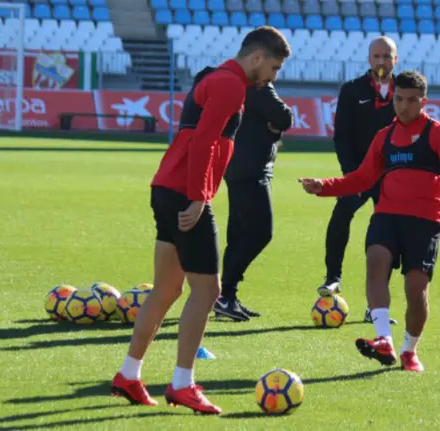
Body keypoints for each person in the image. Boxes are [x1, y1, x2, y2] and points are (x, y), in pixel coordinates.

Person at [110, 26, 290, 415]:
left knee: (166, 289)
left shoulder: (214, 76)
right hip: (185, 192)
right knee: (207, 291)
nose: (273, 77)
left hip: (167, 185)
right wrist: (198, 197)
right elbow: (205, 140)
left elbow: (202, 137)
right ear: (256, 57)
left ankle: (128, 375)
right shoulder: (230, 85)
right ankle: (182, 384)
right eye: (274, 68)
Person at [299, 71, 440, 372]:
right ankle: (384, 339)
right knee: (375, 262)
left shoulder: (437, 134)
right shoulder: (385, 137)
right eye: (399, 99)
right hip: (387, 215)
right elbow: (362, 178)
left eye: (411, 100)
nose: (404, 106)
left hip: (424, 221)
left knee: (416, 292)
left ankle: (409, 350)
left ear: (423, 102)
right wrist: (324, 186)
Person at [317, 36, 399, 325]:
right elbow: (342, 136)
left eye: (386, 56)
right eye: (376, 56)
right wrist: (352, 174)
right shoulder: (352, 90)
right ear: (368, 59)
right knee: (341, 215)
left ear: (395, 59)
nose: (381, 61)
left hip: (392, 175)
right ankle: (332, 278)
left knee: (387, 235)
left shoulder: (404, 90)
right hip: (360, 172)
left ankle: (375, 305)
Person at [213, 82, 294, 321]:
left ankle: (225, 295)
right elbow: (285, 118)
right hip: (252, 169)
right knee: (260, 233)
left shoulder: (241, 86)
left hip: (237, 165)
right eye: (274, 67)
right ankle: (224, 295)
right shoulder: (260, 87)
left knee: (238, 234)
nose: (275, 73)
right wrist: (275, 128)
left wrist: (273, 130)